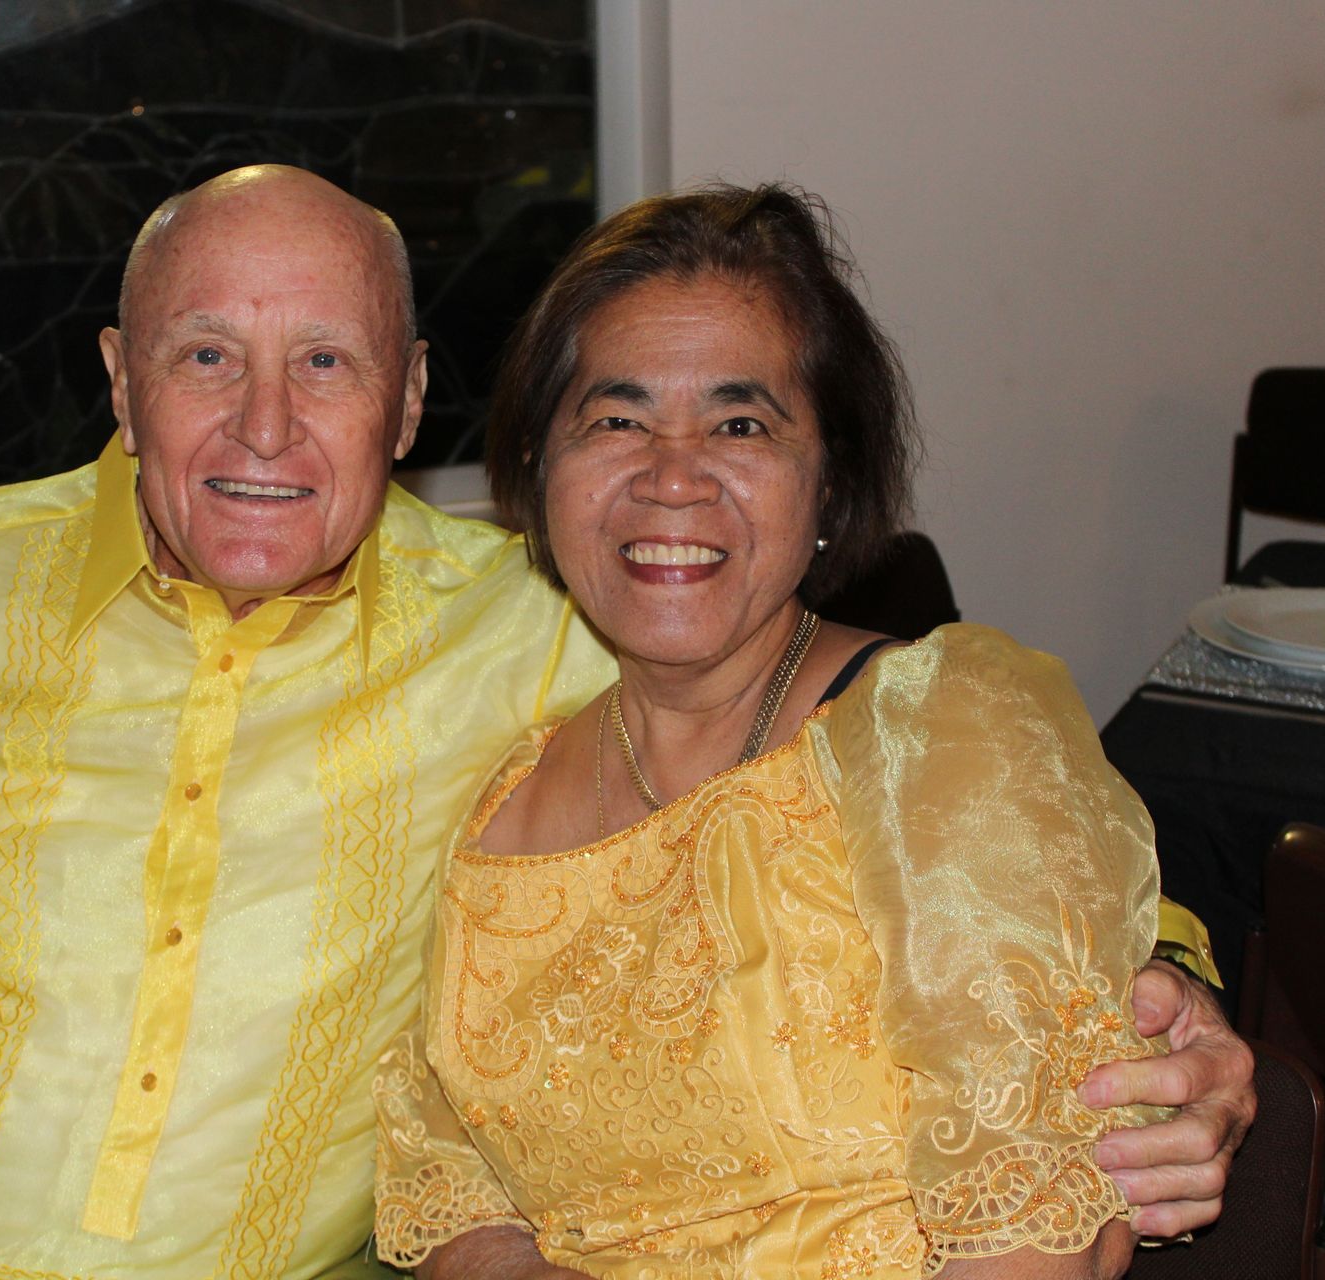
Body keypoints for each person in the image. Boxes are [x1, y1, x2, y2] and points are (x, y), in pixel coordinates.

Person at [0, 167, 1249, 1280]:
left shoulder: (545, 627)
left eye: (325, 362)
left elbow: (924, 792)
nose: (265, 426)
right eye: (206, 358)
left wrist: (1165, 982)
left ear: (408, 406)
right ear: (119, 381)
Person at [372, 184, 1226, 1278]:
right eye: (617, 418)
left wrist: (1175, 974)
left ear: (829, 483)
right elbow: (447, 1185)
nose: (672, 474)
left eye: (742, 423)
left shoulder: (940, 729)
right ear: (539, 475)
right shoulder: (502, 808)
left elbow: (1044, 1228)